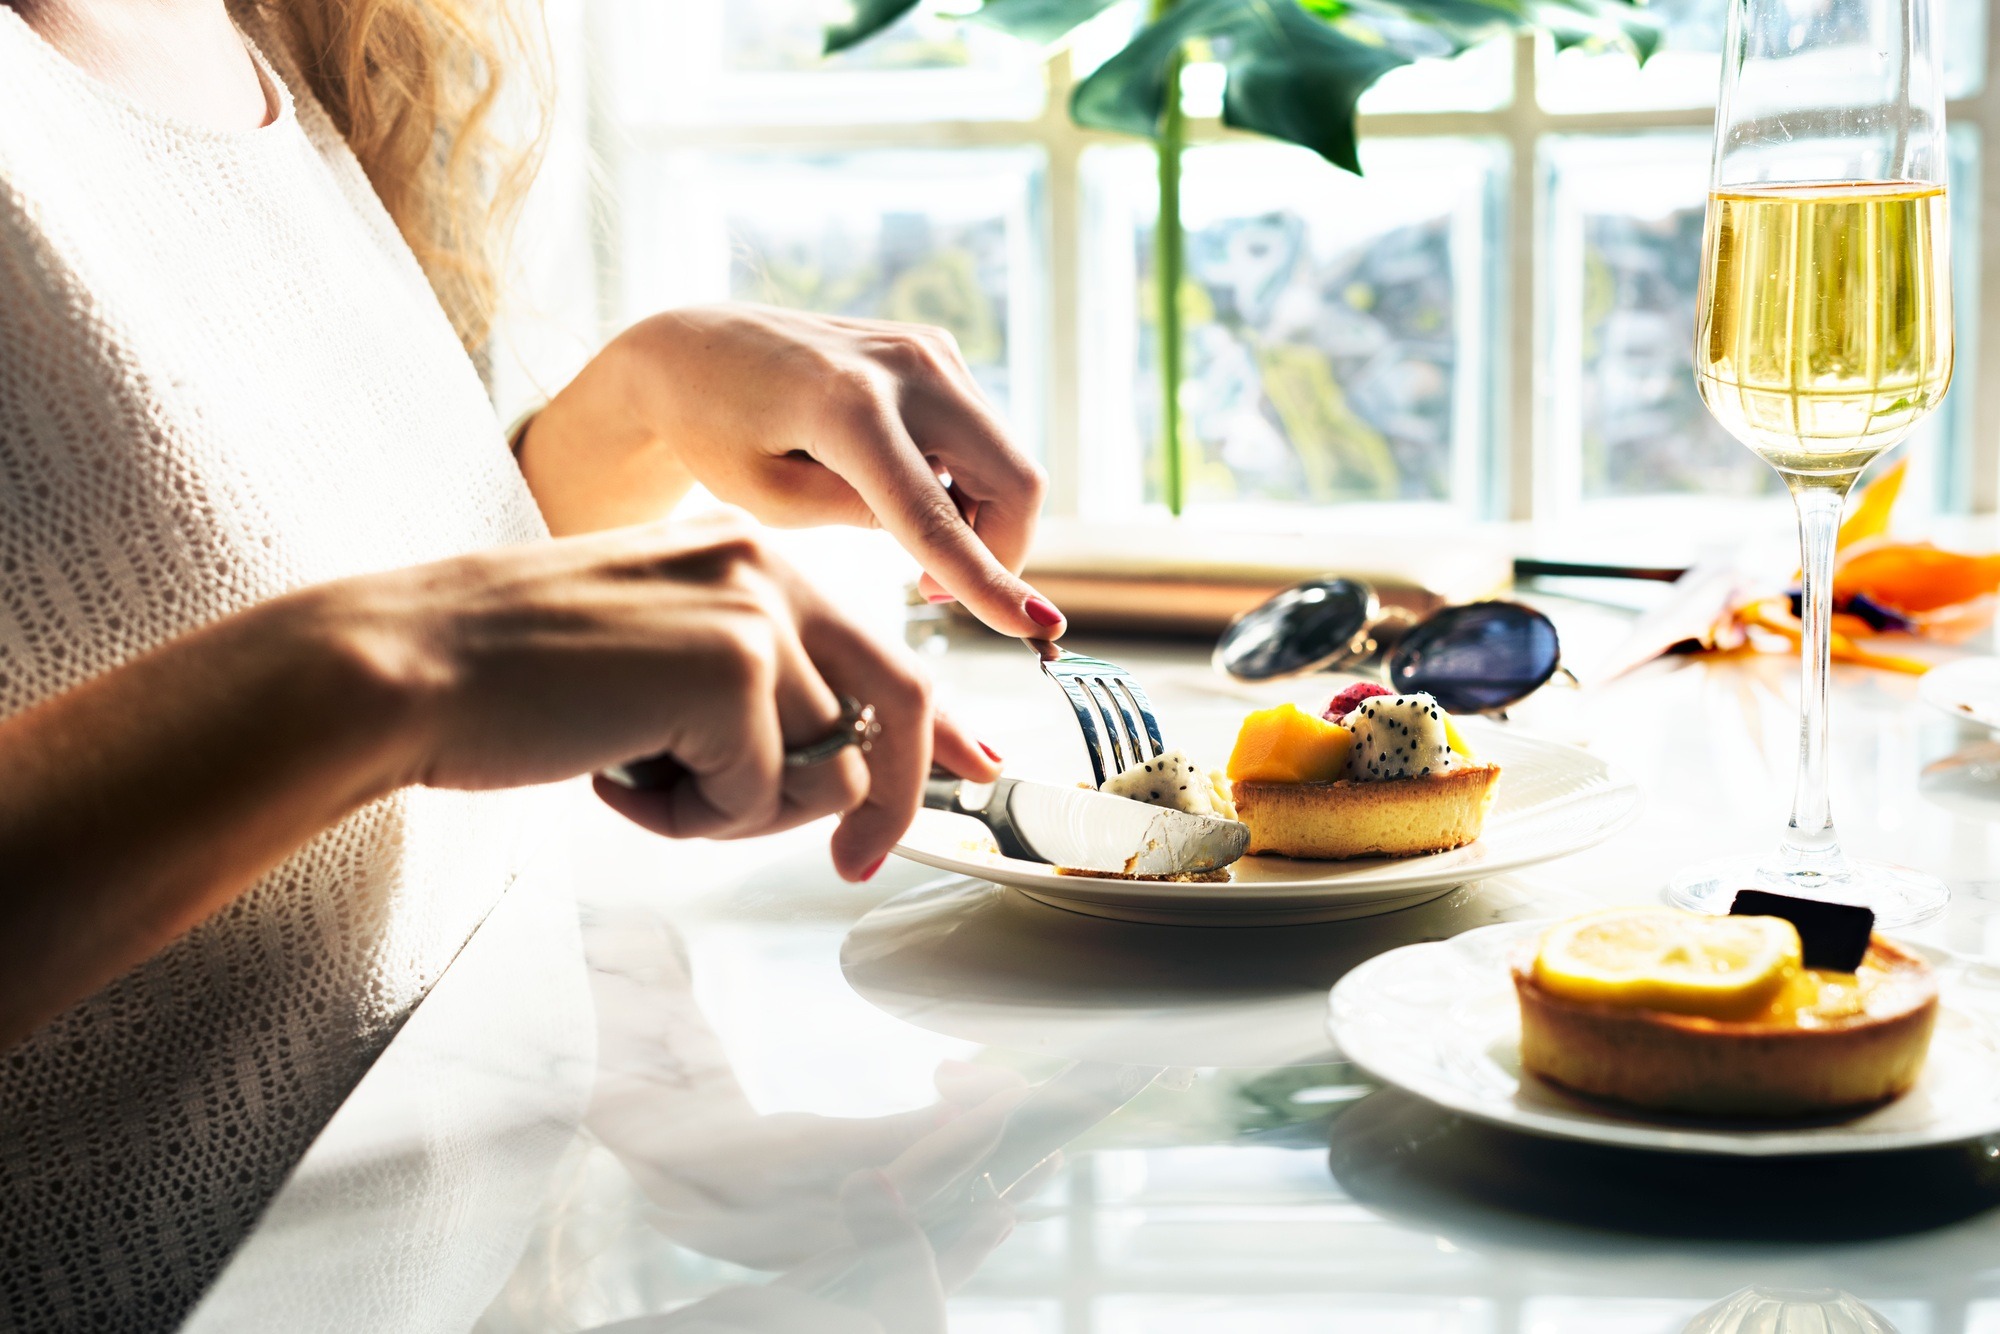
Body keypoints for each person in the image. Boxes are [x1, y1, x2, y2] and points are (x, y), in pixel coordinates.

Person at [0, 0, 1064, 1326]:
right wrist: (393, 661)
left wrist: (635, 407)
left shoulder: (260, 27)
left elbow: (248, 617)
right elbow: (370, 667)